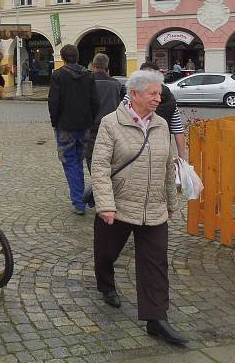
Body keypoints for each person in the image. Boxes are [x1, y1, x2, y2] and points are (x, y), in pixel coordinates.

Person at [90, 69, 186, 345]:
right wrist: (105, 204)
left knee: (155, 263)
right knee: (106, 253)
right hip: (119, 205)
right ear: (135, 94)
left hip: (153, 207)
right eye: (153, 93)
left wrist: (171, 203)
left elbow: (168, 168)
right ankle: (106, 285)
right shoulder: (111, 124)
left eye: (160, 93)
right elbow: (99, 167)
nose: (159, 98)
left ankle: (156, 319)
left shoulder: (162, 125)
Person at [48, 44, 99, 215]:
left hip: (65, 126)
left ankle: (79, 201)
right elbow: (95, 101)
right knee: (79, 160)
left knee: (71, 162)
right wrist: (90, 119)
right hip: (84, 125)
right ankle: (84, 197)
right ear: (77, 57)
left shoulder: (58, 75)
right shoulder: (88, 75)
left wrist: (55, 122)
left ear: (63, 58)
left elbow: (54, 102)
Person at [128, 61, 187, 161]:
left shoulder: (131, 97)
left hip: (134, 151)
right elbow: (178, 130)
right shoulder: (171, 99)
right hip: (161, 152)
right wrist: (182, 158)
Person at [85, 53, 125, 170]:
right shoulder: (116, 84)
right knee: (110, 156)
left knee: (92, 157)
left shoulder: (87, 82)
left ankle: (97, 181)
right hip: (112, 126)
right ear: (107, 66)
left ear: (93, 65)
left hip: (92, 126)